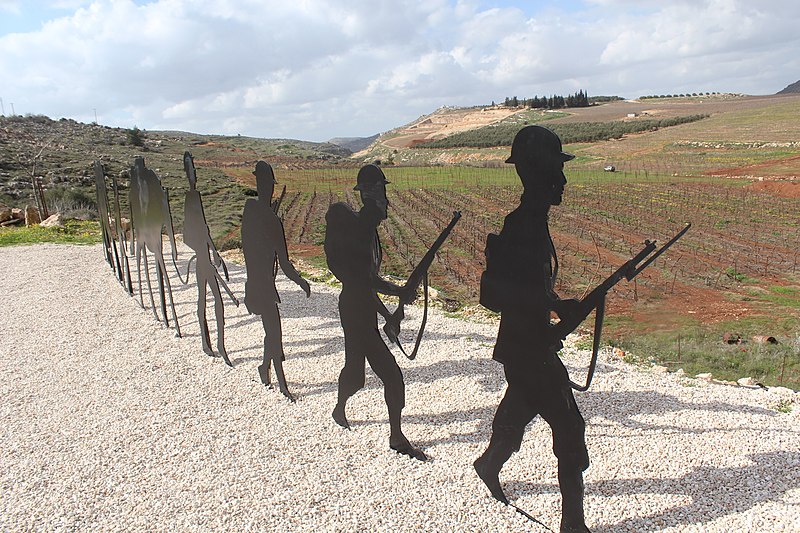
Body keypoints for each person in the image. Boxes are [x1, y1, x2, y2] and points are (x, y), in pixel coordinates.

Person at [474, 125, 591, 533]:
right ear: (534, 173)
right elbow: (506, 293)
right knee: (570, 427)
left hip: (529, 345)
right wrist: (556, 309)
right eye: (555, 171)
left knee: (517, 415)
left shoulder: (533, 222)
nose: (563, 181)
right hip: (527, 349)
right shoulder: (522, 226)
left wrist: (556, 308)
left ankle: (488, 465)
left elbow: (530, 288)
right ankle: (572, 525)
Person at [324, 164, 424, 461]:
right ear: (372, 197)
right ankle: (397, 437)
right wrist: (399, 293)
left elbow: (365, 285)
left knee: (356, 375)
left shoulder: (370, 233)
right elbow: (365, 281)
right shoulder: (359, 232)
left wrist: (389, 314)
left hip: (358, 307)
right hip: (355, 311)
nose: (387, 203)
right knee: (392, 376)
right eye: (383, 194)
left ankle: (339, 409)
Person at [241, 161, 310, 401]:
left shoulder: (252, 211)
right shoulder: (264, 216)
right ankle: (282, 385)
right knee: (275, 334)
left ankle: (264, 367)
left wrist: (299, 281)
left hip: (258, 283)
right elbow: (283, 261)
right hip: (260, 285)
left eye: (267, 184)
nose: (267, 188)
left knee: (271, 331)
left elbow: (281, 260)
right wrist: (301, 281)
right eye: (264, 183)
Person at [183, 152, 238, 366]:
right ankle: (208, 343)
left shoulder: (195, 196)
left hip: (206, 256)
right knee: (204, 300)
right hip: (201, 259)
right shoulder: (190, 199)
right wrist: (203, 251)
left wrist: (214, 252)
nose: (194, 174)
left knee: (216, 301)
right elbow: (190, 234)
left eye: (195, 170)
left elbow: (204, 230)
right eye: (191, 170)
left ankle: (220, 344)